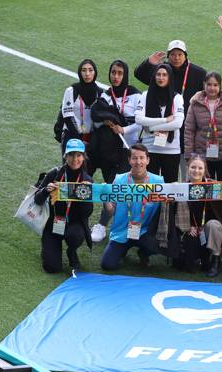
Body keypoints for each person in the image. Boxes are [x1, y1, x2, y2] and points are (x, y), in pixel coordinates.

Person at [134, 40, 206, 178]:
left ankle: (184, 199)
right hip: (157, 135)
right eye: (173, 54)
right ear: (168, 56)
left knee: (187, 171)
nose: (176, 57)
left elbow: (209, 90)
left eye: (180, 54)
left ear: (185, 55)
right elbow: (139, 74)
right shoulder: (161, 70)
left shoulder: (198, 73)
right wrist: (148, 62)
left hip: (186, 127)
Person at [89, 60, 142, 243]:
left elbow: (140, 122)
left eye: (120, 73)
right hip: (110, 151)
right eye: (113, 72)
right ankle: (102, 225)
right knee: (111, 187)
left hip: (129, 152)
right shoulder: (105, 96)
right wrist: (106, 120)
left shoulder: (136, 95)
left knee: (124, 189)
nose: (116, 76)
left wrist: (123, 129)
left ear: (125, 74)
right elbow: (95, 117)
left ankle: (125, 226)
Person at [156, 156, 222, 277]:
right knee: (188, 266)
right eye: (193, 167)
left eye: (200, 168)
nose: (196, 171)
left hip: (208, 228)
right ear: (188, 168)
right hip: (190, 229)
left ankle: (215, 260)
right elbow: (172, 213)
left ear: (205, 170)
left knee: (214, 225)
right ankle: (198, 258)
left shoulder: (214, 186)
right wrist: (188, 227)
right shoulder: (181, 187)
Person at [100, 144, 163, 271]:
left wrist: (175, 188)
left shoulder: (158, 181)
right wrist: (105, 196)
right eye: (134, 158)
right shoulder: (119, 180)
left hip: (145, 231)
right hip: (122, 231)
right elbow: (110, 210)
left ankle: (144, 253)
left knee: (156, 245)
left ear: (148, 160)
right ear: (129, 160)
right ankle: (122, 250)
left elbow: (166, 208)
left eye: (142, 158)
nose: (138, 162)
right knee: (107, 265)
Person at [35, 139, 93, 273]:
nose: (75, 159)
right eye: (71, 155)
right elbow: (37, 200)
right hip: (53, 224)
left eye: (78, 155)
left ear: (83, 157)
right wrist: (45, 190)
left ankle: (71, 251)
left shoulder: (87, 180)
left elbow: (87, 214)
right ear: (65, 156)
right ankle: (49, 249)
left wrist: (85, 197)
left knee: (75, 236)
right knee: (51, 267)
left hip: (74, 224)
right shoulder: (54, 174)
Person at [135, 64, 185, 182]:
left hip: (171, 150)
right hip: (150, 149)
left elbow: (177, 123)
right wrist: (164, 120)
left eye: (164, 75)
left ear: (169, 77)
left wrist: (151, 127)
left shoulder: (177, 98)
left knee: (170, 189)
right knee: (150, 188)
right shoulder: (145, 95)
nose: (161, 78)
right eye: (158, 74)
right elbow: (138, 119)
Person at [184, 71, 222, 180]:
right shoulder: (195, 104)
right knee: (205, 191)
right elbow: (189, 131)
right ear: (204, 84)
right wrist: (189, 155)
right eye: (209, 84)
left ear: (220, 86)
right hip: (202, 157)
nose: (212, 88)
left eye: (215, 85)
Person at [60, 59, 104, 154]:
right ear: (80, 73)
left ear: (95, 72)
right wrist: (79, 137)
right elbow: (68, 116)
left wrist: (91, 139)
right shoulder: (71, 90)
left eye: (90, 70)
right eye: (84, 70)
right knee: (71, 167)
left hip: (90, 139)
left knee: (88, 168)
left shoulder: (99, 93)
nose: (87, 74)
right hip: (72, 137)